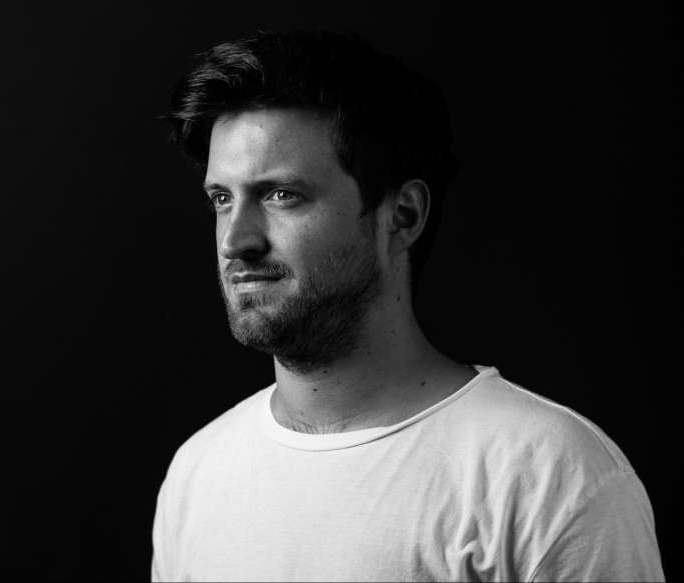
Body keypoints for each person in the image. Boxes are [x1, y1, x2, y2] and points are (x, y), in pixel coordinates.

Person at [151, 29, 664, 582]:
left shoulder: (549, 477)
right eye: (222, 199)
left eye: (282, 195)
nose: (235, 241)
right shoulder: (198, 472)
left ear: (403, 216)